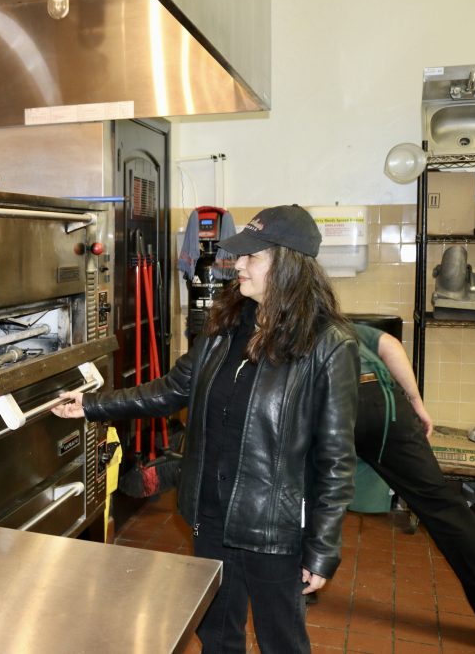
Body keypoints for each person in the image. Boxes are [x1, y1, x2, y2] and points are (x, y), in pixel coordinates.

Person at [54, 204, 359, 653]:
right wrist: (93, 405)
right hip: (210, 514)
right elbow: (173, 389)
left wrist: (322, 547)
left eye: (251, 257)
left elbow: (336, 461)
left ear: (289, 264)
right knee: (215, 633)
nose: (237, 264)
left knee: (282, 641)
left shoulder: (329, 346)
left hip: (272, 527)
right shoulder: (226, 325)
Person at [352, 321, 475, 628]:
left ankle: (300, 580)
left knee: (296, 490)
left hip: (334, 402)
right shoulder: (342, 324)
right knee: (441, 505)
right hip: (384, 399)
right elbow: (390, 346)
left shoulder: (278, 318)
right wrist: (417, 402)